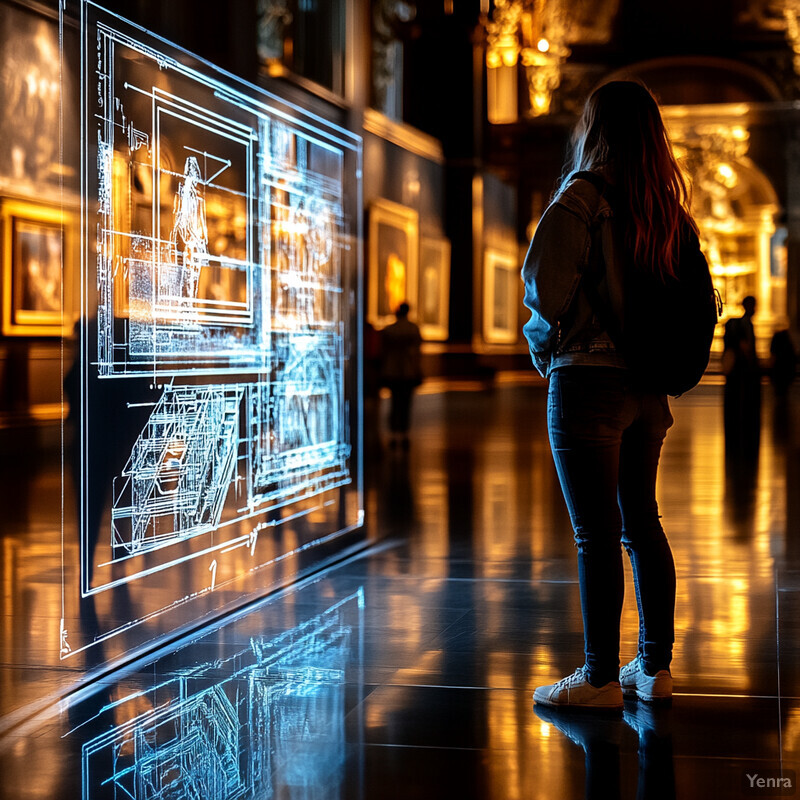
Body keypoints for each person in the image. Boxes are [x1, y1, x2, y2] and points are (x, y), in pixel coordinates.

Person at [523, 81, 693, 709]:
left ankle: (597, 677)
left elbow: (545, 291)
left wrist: (547, 355)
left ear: (593, 129)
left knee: (596, 534)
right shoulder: (666, 210)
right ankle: (653, 669)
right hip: (648, 391)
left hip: (588, 381)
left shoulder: (582, 198)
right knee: (643, 523)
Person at [722, 296, 761, 459]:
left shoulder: (738, 324)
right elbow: (746, 347)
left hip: (737, 373)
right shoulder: (744, 325)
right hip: (743, 373)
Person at [380, 302, 422, 448]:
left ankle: (394, 434)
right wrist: (417, 370)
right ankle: (404, 434)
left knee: (395, 404)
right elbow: (416, 354)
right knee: (406, 405)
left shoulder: (390, 330)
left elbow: (384, 353)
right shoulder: (413, 329)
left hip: (392, 372)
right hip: (408, 372)